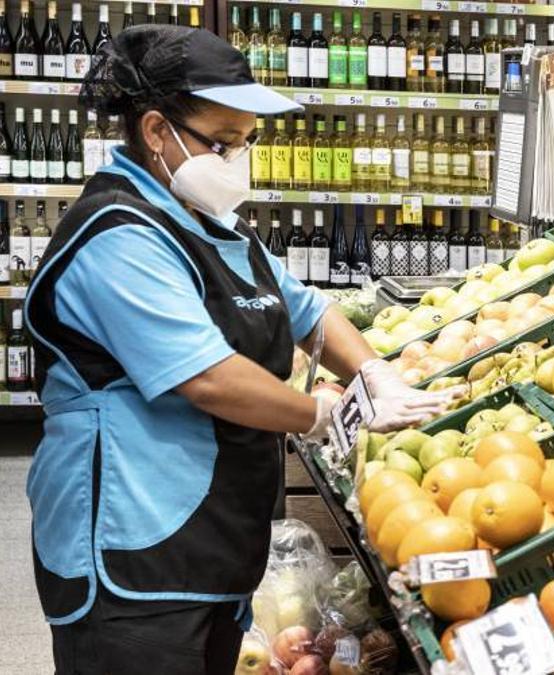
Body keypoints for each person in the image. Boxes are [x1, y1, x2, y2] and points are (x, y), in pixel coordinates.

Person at [24, 25, 460, 674]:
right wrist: (318, 414)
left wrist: (374, 372)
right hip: (130, 547)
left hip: (213, 537)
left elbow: (309, 310)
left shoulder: (214, 226)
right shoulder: (116, 236)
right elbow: (206, 377)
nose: (237, 160)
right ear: (155, 131)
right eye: (223, 142)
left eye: (246, 142)